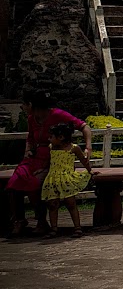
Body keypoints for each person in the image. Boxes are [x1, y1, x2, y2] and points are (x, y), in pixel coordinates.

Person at [8, 93, 89, 237]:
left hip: (52, 161)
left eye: (25, 104)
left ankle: (41, 221)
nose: (22, 107)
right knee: (16, 181)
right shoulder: (31, 119)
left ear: (32, 105)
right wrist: (28, 151)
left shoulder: (58, 115)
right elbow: (30, 138)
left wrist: (88, 147)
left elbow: (84, 126)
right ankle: (19, 219)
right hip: (35, 157)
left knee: (34, 183)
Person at [40, 121, 92, 236]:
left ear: (61, 137)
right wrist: (41, 169)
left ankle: (77, 227)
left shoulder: (73, 148)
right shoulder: (51, 148)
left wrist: (90, 170)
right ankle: (54, 228)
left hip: (66, 178)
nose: (49, 139)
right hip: (53, 178)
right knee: (52, 204)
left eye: (51, 137)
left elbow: (83, 160)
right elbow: (48, 161)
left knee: (71, 203)